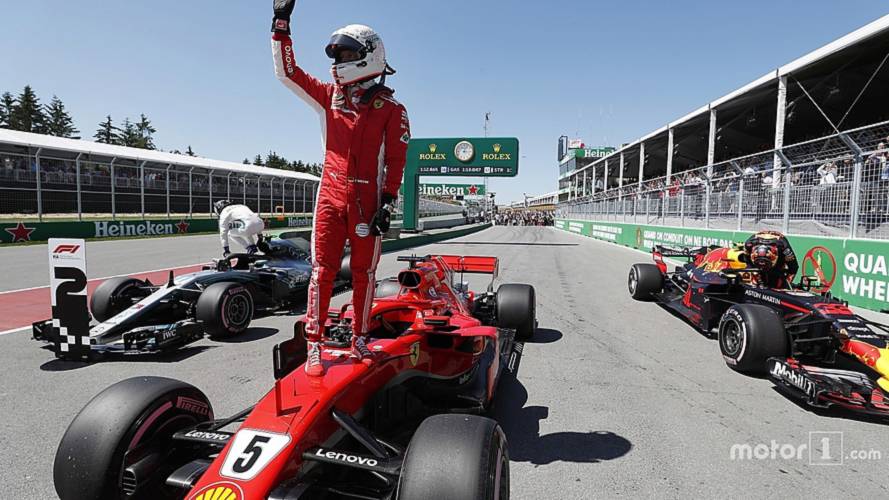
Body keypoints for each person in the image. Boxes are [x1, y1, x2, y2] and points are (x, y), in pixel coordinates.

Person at [271, 0, 410, 376]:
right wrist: (280, 25)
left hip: (367, 203)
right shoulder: (327, 98)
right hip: (330, 195)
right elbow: (288, 73)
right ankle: (314, 345)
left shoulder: (391, 108)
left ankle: (360, 338)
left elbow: (397, 161)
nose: (338, 61)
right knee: (322, 270)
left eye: (347, 53)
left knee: (364, 272)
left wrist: (387, 204)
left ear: (369, 56)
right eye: (336, 53)